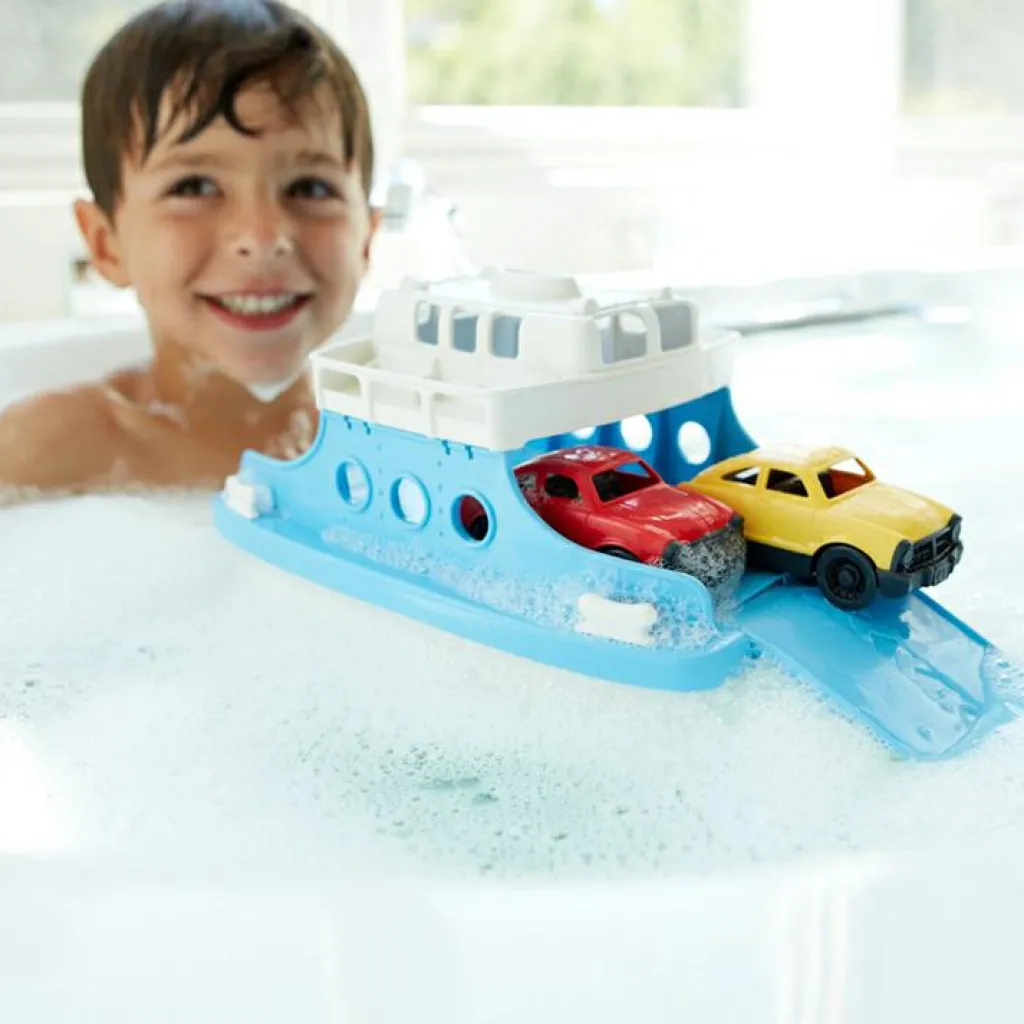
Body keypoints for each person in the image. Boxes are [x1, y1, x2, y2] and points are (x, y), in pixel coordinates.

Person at [0, 0, 379, 503]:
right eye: (195, 186)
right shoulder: (54, 446)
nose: (263, 237)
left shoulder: (394, 441)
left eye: (310, 188)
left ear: (367, 237)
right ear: (105, 245)